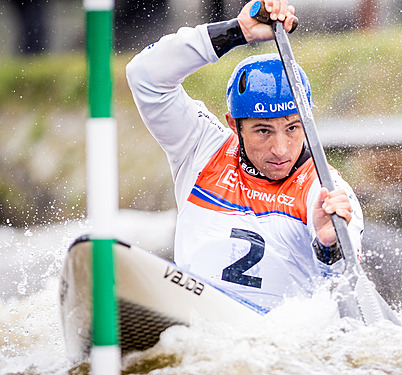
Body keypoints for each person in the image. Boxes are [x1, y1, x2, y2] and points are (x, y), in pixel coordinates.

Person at [126, 0, 364, 311]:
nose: (280, 149)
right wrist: (238, 32)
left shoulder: (327, 191)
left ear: (307, 122)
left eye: (292, 128)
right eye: (263, 131)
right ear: (233, 125)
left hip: (271, 340)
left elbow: (343, 288)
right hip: (195, 317)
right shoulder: (202, 148)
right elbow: (144, 76)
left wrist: (328, 245)